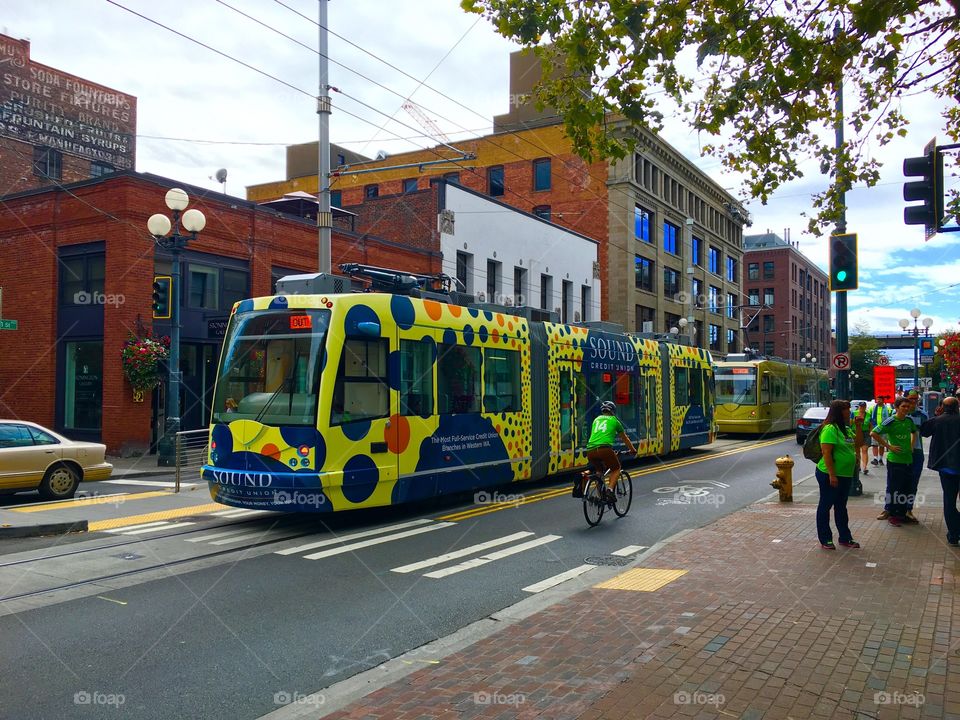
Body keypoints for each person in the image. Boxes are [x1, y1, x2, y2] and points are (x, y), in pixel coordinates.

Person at [815, 400, 865, 549]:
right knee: (826, 505)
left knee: (841, 506)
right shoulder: (830, 429)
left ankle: (845, 537)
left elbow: (858, 443)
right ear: (838, 412)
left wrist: (858, 426)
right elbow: (826, 453)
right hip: (829, 474)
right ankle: (825, 539)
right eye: (846, 409)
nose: (849, 412)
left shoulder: (846, 429)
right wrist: (832, 475)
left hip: (845, 475)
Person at [919, 396, 960, 546]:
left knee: (949, 501)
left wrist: (937, 415)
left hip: (946, 467)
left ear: (942, 407)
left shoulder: (938, 420)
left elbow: (924, 431)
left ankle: (954, 534)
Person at [872, 397, 918, 527]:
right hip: (895, 460)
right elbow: (874, 433)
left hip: (908, 459)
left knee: (906, 488)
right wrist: (889, 446)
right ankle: (893, 514)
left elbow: (915, 432)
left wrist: (911, 446)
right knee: (894, 488)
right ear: (897, 408)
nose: (906, 409)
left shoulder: (909, 421)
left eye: (907, 406)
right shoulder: (891, 421)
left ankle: (902, 514)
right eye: (903, 406)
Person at [584, 400, 637, 501]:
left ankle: (600, 497)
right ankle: (610, 490)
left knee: (599, 471)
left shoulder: (596, 419)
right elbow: (625, 438)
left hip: (590, 450)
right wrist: (633, 450)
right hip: (604, 449)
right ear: (613, 411)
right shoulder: (615, 421)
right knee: (616, 468)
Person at [903, 390, 928, 523]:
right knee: (896, 482)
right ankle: (892, 509)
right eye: (911, 398)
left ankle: (908, 509)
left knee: (913, 482)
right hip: (900, 452)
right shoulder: (898, 413)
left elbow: (926, 432)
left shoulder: (922, 414)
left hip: (916, 452)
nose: (914, 401)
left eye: (916, 399)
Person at [868, 396, 892, 466]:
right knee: (874, 444)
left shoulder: (887, 408)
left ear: (883, 400)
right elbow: (870, 418)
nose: (878, 401)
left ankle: (880, 458)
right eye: (877, 399)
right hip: (875, 429)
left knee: (882, 444)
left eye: (880, 399)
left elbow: (889, 418)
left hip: (883, 429)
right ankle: (875, 458)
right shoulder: (873, 408)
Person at [856, 401, 871, 475]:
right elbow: (850, 422)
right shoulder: (854, 413)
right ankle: (858, 466)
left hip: (866, 433)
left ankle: (865, 467)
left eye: (863, 407)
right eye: (861, 407)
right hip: (856, 432)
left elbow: (870, 424)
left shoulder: (868, 415)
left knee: (864, 449)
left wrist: (871, 433)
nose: (862, 408)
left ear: (865, 407)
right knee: (857, 450)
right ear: (858, 407)